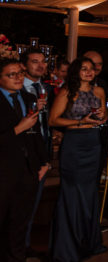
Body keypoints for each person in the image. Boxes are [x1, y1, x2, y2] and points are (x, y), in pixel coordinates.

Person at [49, 57, 108, 261]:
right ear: (76, 71)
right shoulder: (67, 91)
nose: (89, 72)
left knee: (90, 192)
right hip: (74, 146)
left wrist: (103, 115)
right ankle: (67, 248)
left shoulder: (99, 91)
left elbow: (105, 117)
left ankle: (88, 242)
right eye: (84, 69)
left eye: (91, 69)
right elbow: (53, 119)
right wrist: (81, 122)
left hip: (94, 145)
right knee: (73, 193)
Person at [0, 59, 47, 262]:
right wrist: (19, 128)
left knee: (20, 224)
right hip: (3, 171)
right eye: (12, 75)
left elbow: (36, 133)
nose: (18, 77)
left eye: (20, 73)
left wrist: (44, 163)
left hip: (28, 171)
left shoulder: (28, 97)